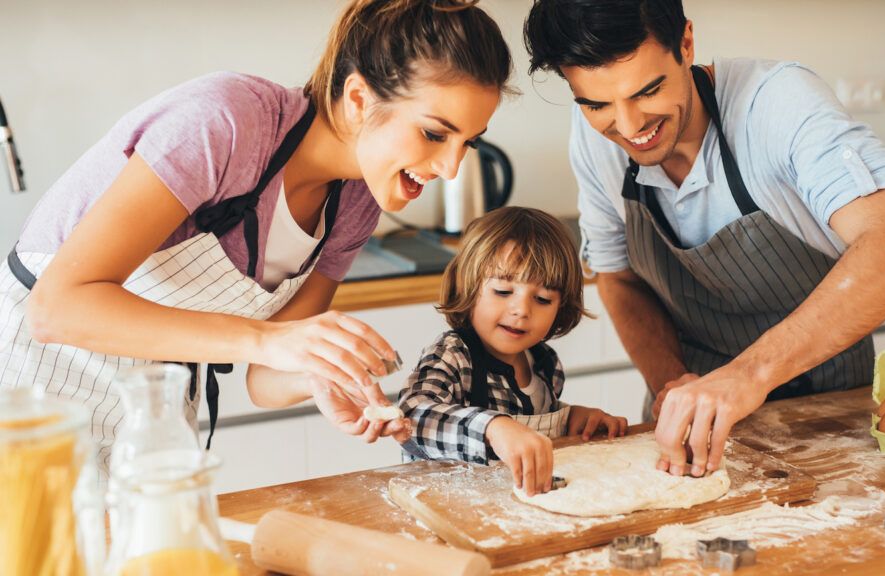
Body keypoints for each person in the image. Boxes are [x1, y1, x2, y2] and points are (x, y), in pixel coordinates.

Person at [0, 0, 513, 473]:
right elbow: (57, 309)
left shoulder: (356, 202)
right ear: (358, 98)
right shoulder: (225, 122)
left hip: (152, 412)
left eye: (468, 142)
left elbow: (263, 379)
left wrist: (317, 375)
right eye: (434, 133)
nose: (450, 167)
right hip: (35, 392)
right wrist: (270, 339)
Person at [523, 0, 885, 478]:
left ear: (685, 43)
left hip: (824, 410)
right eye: (596, 104)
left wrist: (748, 375)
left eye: (647, 91)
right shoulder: (595, 143)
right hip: (690, 420)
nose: (627, 127)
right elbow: (619, 279)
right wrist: (672, 385)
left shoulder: (777, 103)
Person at [396, 207, 628, 496]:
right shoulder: (453, 354)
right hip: (444, 510)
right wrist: (493, 428)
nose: (521, 310)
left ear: (561, 308)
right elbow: (411, 415)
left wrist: (571, 419)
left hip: (510, 511)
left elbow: (535, 428)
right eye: (503, 292)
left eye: (543, 299)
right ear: (466, 285)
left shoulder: (545, 365)